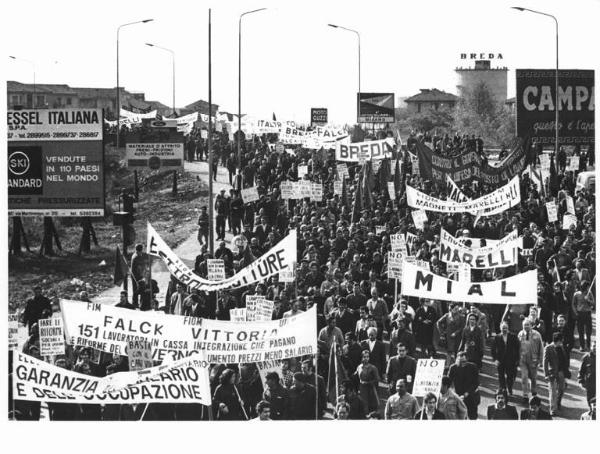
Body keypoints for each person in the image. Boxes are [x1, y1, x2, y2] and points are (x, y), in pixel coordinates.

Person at [544, 332, 570, 416]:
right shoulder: (548, 348)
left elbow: (564, 359)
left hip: (561, 372)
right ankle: (553, 409)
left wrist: (566, 371)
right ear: (557, 341)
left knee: (561, 389)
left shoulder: (561, 347)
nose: (561, 342)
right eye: (560, 341)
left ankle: (558, 402)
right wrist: (546, 374)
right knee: (553, 392)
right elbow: (545, 362)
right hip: (552, 373)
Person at [448, 351, 480, 420]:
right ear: (456, 359)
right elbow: (448, 382)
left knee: (473, 416)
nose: (462, 363)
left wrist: (467, 393)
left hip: (471, 395)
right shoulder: (453, 368)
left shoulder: (473, 367)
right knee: (460, 417)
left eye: (464, 361)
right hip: (458, 396)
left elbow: (476, 383)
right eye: (460, 361)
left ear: (467, 360)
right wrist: (454, 394)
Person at [518, 318, 544, 403]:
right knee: (524, 377)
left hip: (533, 360)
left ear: (531, 325)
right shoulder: (520, 334)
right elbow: (517, 347)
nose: (526, 326)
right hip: (523, 360)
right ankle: (525, 394)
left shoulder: (537, 335)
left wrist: (540, 361)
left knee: (533, 378)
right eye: (524, 325)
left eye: (527, 324)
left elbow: (541, 348)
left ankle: (533, 393)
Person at [491, 321, 520, 396]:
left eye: (506, 328)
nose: (504, 329)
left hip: (510, 360)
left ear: (508, 328)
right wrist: (495, 359)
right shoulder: (497, 337)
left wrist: (517, 359)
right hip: (500, 360)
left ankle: (509, 388)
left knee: (510, 376)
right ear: (500, 328)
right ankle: (503, 389)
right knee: (501, 376)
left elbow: (517, 349)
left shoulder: (513, 336)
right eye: (503, 328)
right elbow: (493, 349)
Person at [355, 349, 380, 414]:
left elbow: (377, 379)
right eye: (364, 357)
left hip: (370, 389)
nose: (366, 358)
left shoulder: (373, 368)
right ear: (362, 357)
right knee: (362, 404)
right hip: (361, 388)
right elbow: (355, 376)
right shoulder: (359, 367)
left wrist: (368, 382)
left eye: (367, 357)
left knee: (370, 406)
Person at [578, 340, 596, 408]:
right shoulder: (586, 357)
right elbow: (581, 371)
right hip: (590, 384)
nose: (595, 348)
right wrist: (581, 380)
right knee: (590, 401)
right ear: (591, 347)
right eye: (594, 346)